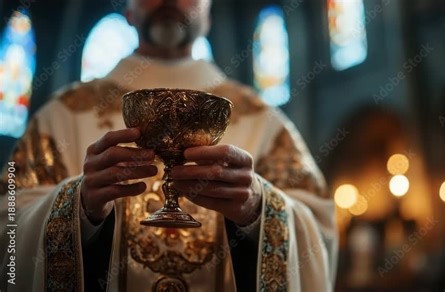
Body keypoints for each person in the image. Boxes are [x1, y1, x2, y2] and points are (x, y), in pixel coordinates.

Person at [0, 0, 337, 291]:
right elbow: (8, 225)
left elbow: (321, 233)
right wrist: (77, 207)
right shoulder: (63, 114)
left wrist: (260, 208)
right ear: (128, 10)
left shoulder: (263, 119)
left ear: (209, 12)